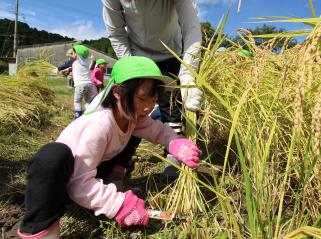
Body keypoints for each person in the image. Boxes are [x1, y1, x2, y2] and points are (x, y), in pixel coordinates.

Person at [17, 56, 202, 239]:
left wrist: (175, 142)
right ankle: (38, 230)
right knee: (52, 157)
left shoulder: (131, 117)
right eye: (142, 99)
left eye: (153, 100)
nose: (148, 107)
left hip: (88, 172)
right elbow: (78, 183)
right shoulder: (99, 126)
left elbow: (158, 131)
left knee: (131, 137)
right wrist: (118, 204)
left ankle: (108, 187)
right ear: (117, 92)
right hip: (62, 182)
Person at [102, 0, 204, 181]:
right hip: (135, 54)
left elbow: (191, 28)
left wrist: (188, 76)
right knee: (131, 109)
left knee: (172, 109)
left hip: (170, 53)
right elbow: (116, 32)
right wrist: (132, 66)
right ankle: (120, 162)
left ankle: (172, 157)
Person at [71, 43, 98, 119]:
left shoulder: (75, 63)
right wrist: (93, 59)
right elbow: (92, 65)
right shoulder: (88, 62)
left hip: (80, 85)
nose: (72, 55)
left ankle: (78, 116)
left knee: (77, 101)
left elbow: (73, 73)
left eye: (73, 53)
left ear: (77, 55)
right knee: (88, 100)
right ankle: (89, 114)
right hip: (90, 85)